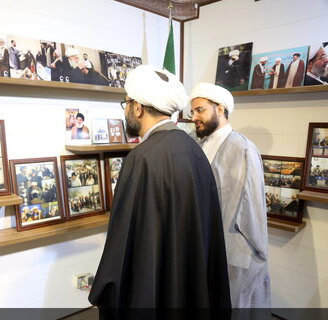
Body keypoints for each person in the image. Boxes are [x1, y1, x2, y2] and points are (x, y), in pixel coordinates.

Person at [89, 65, 231, 314]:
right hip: (189, 278)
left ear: (137, 107)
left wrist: (106, 289)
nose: (126, 110)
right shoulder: (194, 150)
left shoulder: (141, 158)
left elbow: (122, 239)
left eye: (126, 103)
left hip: (151, 285)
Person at [190, 82, 271, 308]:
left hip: (233, 248)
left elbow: (252, 207)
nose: (194, 116)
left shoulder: (243, 148)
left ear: (220, 109)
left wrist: (256, 254)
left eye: (200, 110)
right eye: (193, 111)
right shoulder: (198, 144)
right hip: (204, 242)